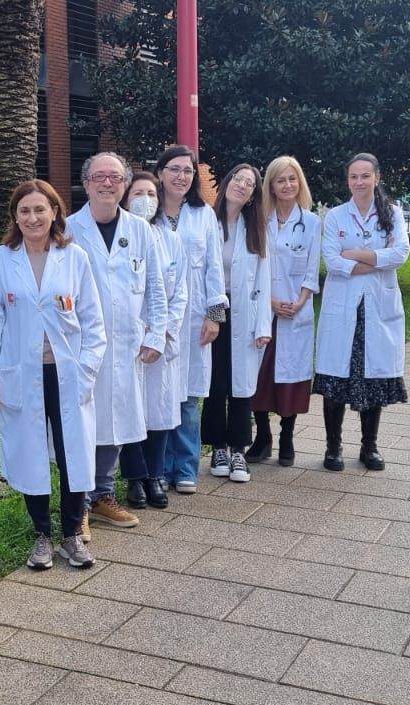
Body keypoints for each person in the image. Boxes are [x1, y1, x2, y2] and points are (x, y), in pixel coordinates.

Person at [0, 179, 106, 570]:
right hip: (21, 375)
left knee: (73, 456)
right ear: (15, 216)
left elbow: (93, 324)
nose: (33, 218)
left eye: (40, 209)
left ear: (54, 212)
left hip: (67, 375)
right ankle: (41, 536)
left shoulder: (75, 257)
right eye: (25, 211)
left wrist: (86, 370)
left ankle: (71, 536)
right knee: (30, 452)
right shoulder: (1, 259)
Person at [65, 152, 169, 536]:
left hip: (127, 344)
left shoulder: (141, 230)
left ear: (124, 185)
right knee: (86, 421)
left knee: (118, 419)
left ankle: (103, 495)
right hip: (82, 345)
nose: (107, 183)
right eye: (99, 177)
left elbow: (155, 287)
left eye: (115, 177)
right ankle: (80, 502)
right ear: (86, 183)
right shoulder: (69, 229)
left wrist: (156, 333)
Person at [318, 153, 410, 472]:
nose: (359, 182)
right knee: (336, 378)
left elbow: (400, 254)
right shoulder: (336, 216)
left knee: (373, 378)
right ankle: (333, 448)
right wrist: (374, 260)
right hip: (344, 308)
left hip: (377, 307)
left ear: (377, 178)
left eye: (365, 176)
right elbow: (332, 260)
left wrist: (355, 255)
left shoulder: (393, 214)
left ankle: (369, 447)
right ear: (348, 180)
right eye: (354, 176)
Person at [152, 145, 226, 495]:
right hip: (159, 316)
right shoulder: (146, 215)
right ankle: (160, 467)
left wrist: (214, 315)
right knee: (160, 392)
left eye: (188, 170)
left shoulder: (203, 214)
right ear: (160, 173)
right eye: (175, 169)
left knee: (189, 397)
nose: (182, 176)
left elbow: (214, 266)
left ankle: (185, 467)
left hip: (195, 314)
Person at [246, 156, 320, 467]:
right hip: (265, 307)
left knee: (291, 378)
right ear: (271, 186)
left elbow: (312, 269)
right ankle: (262, 436)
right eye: (280, 180)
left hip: (295, 310)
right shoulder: (259, 220)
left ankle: (287, 436)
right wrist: (271, 303)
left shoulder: (312, 222)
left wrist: (301, 301)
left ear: (299, 182)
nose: (287, 185)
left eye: (292, 179)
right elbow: (252, 266)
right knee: (258, 377)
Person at [120, 170, 187, 509]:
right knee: (131, 411)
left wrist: (162, 333)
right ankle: (134, 478)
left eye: (150, 193)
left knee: (158, 412)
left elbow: (180, 294)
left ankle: (155, 476)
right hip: (129, 339)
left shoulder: (171, 240)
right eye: (137, 193)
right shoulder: (119, 238)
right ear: (125, 197)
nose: (144, 198)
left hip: (160, 341)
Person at [204, 163, 273, 483]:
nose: (242, 185)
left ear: (252, 196)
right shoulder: (207, 221)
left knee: (241, 386)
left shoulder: (256, 228)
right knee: (216, 381)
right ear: (227, 182)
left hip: (244, 314)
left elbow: (264, 280)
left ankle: (238, 451)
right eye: (238, 179)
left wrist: (263, 327)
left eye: (250, 184)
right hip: (212, 312)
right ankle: (218, 447)